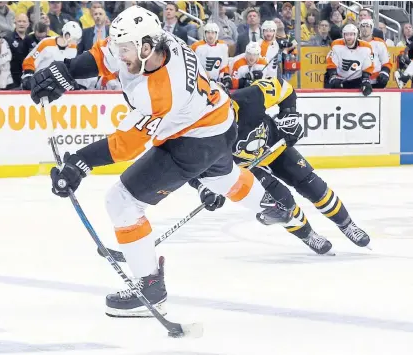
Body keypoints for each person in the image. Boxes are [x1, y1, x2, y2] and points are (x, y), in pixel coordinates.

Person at [28, 5, 290, 317]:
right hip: (220, 121)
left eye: (125, 49)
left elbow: (126, 144)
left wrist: (80, 163)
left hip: (194, 141)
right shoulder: (152, 42)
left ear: (147, 47)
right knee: (221, 178)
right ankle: (270, 205)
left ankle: (149, 287)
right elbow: (103, 55)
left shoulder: (161, 90)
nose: (119, 53)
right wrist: (67, 73)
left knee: (121, 201)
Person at [192, 77, 371, 254]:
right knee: (282, 203)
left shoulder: (251, 97)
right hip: (249, 168)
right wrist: (205, 188)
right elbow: (192, 166)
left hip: (276, 147)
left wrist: (289, 114)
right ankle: (308, 235)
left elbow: (284, 88)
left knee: (313, 186)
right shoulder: (205, 131)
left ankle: (347, 225)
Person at [21, 20, 82, 90]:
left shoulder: (73, 49)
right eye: (75, 39)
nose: (76, 42)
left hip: (56, 86)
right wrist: (28, 77)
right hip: (38, 83)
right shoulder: (46, 43)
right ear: (67, 36)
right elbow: (30, 60)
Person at [325, 24, 374, 96]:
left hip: (356, 79)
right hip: (339, 77)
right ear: (343, 35)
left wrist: (366, 80)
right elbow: (331, 62)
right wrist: (333, 76)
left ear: (356, 35)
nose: (349, 37)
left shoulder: (366, 47)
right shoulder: (336, 45)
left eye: (351, 34)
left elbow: (368, 66)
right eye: (346, 34)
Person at [190, 23, 230, 88]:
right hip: (200, 81)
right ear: (204, 33)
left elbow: (224, 66)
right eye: (208, 33)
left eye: (213, 33)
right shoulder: (196, 46)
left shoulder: (223, 46)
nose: (210, 35)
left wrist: (225, 76)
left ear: (216, 34)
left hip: (217, 82)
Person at [359, 19, 391, 89]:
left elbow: (386, 62)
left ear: (372, 29)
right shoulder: (354, 43)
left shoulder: (380, 43)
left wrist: (384, 73)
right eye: (363, 26)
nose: (365, 28)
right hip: (359, 80)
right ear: (360, 29)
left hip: (377, 80)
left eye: (367, 26)